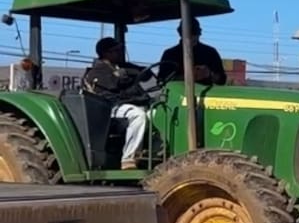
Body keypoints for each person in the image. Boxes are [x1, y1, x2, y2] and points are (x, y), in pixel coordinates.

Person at [83, 37, 153, 170]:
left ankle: (153, 155)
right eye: (116, 50)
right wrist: (126, 74)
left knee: (158, 112)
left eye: (121, 49)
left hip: (131, 104)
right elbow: (116, 84)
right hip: (110, 108)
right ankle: (129, 158)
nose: (120, 52)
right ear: (105, 53)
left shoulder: (123, 67)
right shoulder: (97, 71)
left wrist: (133, 72)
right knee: (138, 115)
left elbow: (146, 74)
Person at [159, 17, 227, 86]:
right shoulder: (170, 54)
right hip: (176, 94)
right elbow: (161, 81)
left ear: (199, 34)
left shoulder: (210, 52)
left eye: (194, 33)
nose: (192, 37)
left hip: (204, 95)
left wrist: (209, 74)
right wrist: (189, 76)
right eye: (189, 33)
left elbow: (222, 80)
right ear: (180, 33)